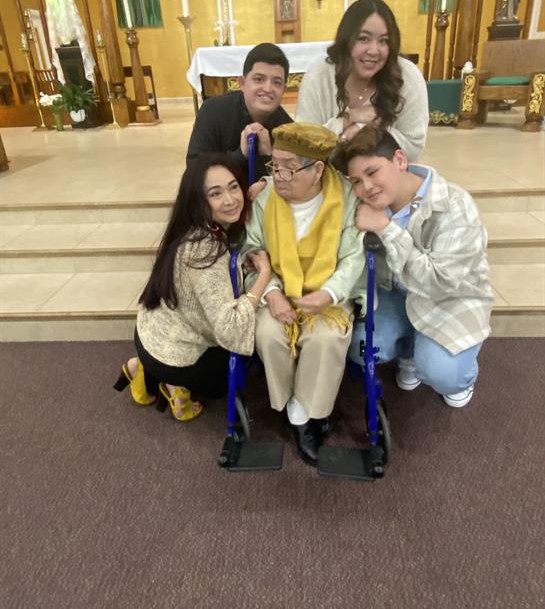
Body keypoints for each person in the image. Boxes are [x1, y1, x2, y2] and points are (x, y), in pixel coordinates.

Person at [334, 126, 493, 408]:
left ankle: (461, 375)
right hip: (396, 293)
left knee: (443, 373)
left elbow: (439, 283)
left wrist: (385, 228)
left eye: (373, 172)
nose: (366, 187)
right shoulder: (364, 203)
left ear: (399, 160)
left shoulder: (455, 204)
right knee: (361, 348)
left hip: (449, 300)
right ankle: (409, 353)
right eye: (356, 181)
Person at [114, 154, 272, 421]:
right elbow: (231, 327)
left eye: (233, 187)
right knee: (231, 372)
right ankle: (173, 384)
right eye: (216, 193)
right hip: (174, 358)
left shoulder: (190, 227)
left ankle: (142, 369)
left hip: (149, 335)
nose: (230, 199)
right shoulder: (204, 251)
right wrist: (263, 276)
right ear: (199, 200)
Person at [242, 122, 364, 465]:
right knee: (268, 334)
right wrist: (272, 293)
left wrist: (329, 293)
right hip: (277, 288)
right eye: (274, 165)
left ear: (317, 170)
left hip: (329, 292)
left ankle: (304, 413)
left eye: (289, 168)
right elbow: (251, 250)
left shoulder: (345, 197)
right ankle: (294, 407)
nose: (278, 176)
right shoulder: (266, 197)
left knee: (326, 338)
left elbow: (354, 256)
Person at [295, 0, 428, 161]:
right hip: (326, 172)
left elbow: (413, 145)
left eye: (383, 41)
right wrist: (346, 120)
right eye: (364, 38)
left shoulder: (408, 76)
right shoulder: (319, 76)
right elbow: (302, 145)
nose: (373, 51)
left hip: (386, 173)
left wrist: (363, 128)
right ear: (346, 39)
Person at [186, 43, 293, 180]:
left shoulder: (287, 130)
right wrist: (240, 155)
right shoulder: (212, 111)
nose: (267, 88)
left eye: (276, 82)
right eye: (259, 79)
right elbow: (194, 173)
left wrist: (268, 157)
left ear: (284, 89)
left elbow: (294, 184)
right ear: (242, 83)